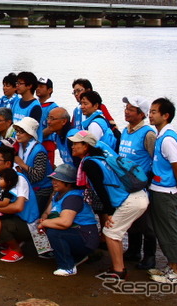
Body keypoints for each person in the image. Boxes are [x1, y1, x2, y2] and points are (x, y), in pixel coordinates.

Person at [69, 130, 148, 280]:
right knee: (114, 233)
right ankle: (118, 267)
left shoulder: (90, 163)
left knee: (111, 233)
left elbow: (100, 189)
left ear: (86, 146)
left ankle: (118, 271)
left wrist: (110, 212)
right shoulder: (99, 157)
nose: (72, 146)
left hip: (131, 201)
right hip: (137, 196)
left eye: (76, 143)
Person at [147, 98, 177, 284]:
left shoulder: (168, 139)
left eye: (154, 112)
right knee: (163, 230)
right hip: (159, 190)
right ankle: (171, 266)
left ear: (166, 116)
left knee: (170, 230)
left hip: (167, 192)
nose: (150, 114)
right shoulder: (161, 136)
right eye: (150, 111)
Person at [37, 165, 99, 277]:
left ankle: (67, 266)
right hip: (76, 233)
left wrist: (44, 223)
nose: (54, 182)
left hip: (86, 237)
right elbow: (47, 213)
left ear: (69, 183)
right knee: (47, 226)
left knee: (55, 233)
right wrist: (43, 219)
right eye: (53, 179)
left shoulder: (73, 198)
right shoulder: (57, 195)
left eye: (59, 180)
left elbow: (65, 222)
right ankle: (74, 256)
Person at [120, 96, 157, 270]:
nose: (126, 111)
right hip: (128, 183)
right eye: (126, 108)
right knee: (132, 219)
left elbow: (155, 159)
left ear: (141, 114)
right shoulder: (126, 131)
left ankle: (150, 257)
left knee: (146, 223)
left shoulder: (148, 134)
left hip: (143, 184)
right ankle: (133, 251)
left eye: (130, 109)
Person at [13, 117, 52, 213]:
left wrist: (21, 164)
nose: (17, 134)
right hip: (29, 187)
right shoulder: (21, 146)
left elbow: (38, 176)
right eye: (17, 131)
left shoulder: (39, 151)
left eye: (21, 132)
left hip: (41, 189)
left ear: (30, 135)